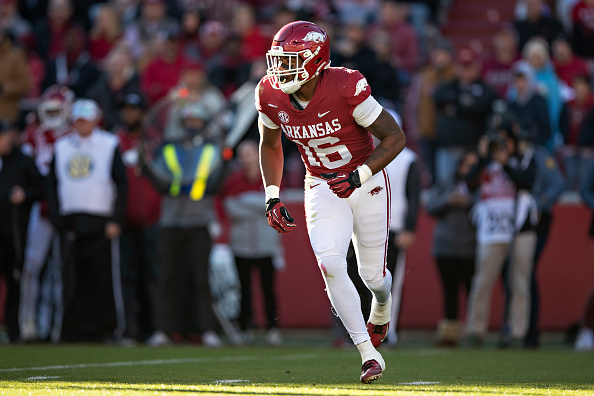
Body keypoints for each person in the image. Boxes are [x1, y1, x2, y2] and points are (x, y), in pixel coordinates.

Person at [256, 21, 406, 383]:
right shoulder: (269, 92)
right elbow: (270, 144)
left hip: (364, 183)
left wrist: (359, 176)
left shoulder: (344, 84)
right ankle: (367, 354)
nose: (280, 69)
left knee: (373, 277)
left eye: (289, 60)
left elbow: (395, 138)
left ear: (314, 60)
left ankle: (382, 306)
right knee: (330, 263)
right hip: (321, 184)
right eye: (278, 60)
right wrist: (272, 195)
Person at [46, 99, 127, 342]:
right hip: (70, 220)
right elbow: (51, 185)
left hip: (100, 220)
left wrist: (116, 218)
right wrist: (56, 216)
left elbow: (121, 183)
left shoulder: (108, 144)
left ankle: (104, 329)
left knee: (102, 277)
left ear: (95, 120)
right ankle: (71, 330)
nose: (82, 125)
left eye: (86, 120)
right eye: (78, 120)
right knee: (70, 278)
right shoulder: (61, 147)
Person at [146, 101, 224, 347]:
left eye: (196, 122)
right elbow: (158, 180)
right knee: (167, 278)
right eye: (188, 122)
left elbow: (215, 182)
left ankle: (207, 330)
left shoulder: (212, 150)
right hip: (171, 221)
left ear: (203, 124)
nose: (192, 126)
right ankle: (164, 330)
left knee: (201, 279)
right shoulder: (168, 149)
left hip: (199, 220)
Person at [464, 126, 538, 348]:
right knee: (482, 282)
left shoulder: (524, 159)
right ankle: (475, 331)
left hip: (520, 228)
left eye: (506, 141)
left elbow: (527, 181)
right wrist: (482, 156)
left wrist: (505, 163)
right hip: (492, 230)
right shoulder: (486, 163)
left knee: (519, 283)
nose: (502, 146)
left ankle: (517, 332)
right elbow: (468, 182)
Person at [19, 85, 74, 342]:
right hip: (40, 208)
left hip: (65, 208)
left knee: (60, 270)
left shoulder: (75, 136)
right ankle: (27, 321)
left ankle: (57, 325)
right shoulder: (34, 135)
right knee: (32, 266)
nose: (53, 115)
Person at [219, 140, 283, 346]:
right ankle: (244, 328)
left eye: (249, 153)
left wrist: (245, 202)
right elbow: (230, 209)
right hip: (241, 245)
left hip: (266, 245)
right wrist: (258, 205)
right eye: (242, 154)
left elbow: (274, 207)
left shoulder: (270, 177)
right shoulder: (233, 181)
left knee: (268, 289)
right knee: (243, 289)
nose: (245, 158)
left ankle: (273, 329)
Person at [116, 93, 162, 342]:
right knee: (127, 275)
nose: (129, 115)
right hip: (125, 218)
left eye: (134, 110)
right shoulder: (117, 140)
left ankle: (153, 329)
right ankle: (130, 329)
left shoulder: (155, 142)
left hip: (152, 218)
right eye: (126, 110)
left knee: (152, 275)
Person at [425, 152, 477, 347]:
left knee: (473, 291)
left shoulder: (479, 185)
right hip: (445, 246)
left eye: (473, 166)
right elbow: (430, 205)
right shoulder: (446, 184)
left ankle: (473, 332)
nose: (468, 170)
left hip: (471, 247)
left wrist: (469, 201)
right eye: (465, 164)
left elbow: (486, 205)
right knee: (450, 292)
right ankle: (450, 335)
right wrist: (448, 200)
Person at [0, 120, 44, 343]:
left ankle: (14, 329)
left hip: (14, 232)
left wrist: (24, 195)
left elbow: (41, 188)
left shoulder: (23, 161)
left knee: (14, 279)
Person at [433, 47, 498, 185]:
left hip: (473, 149)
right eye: (462, 66)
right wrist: (465, 103)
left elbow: (479, 107)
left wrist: (457, 106)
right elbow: (437, 97)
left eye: (469, 66)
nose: (465, 71)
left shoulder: (485, 89)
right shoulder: (449, 86)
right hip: (449, 148)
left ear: (477, 66)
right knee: (446, 187)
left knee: (474, 187)